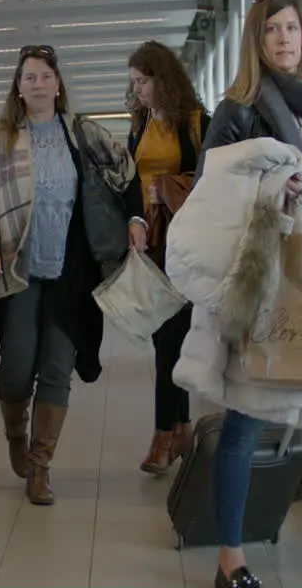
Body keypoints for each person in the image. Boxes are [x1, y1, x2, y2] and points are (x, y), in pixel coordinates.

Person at [195, 0, 302, 588]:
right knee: (245, 420)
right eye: (272, 30)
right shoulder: (237, 110)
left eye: (291, 28)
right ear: (256, 42)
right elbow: (209, 191)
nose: (284, 39)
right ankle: (230, 560)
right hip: (269, 275)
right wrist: (270, 189)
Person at [0, 44, 144, 506]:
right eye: (29, 77)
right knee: (17, 370)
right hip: (20, 271)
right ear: (18, 88)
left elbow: (128, 172)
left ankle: (41, 468)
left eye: (45, 76)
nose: (38, 84)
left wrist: (136, 219)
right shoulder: (0, 138)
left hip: (72, 274)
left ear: (58, 85)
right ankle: (13, 431)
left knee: (57, 370)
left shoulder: (81, 134)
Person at [125, 40, 209, 475]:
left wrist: (166, 186)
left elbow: (211, 179)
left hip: (185, 243)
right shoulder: (138, 124)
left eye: (143, 81)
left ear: (163, 78)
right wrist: (136, 215)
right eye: (134, 83)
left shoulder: (195, 122)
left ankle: (163, 436)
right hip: (150, 243)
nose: (137, 90)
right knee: (165, 338)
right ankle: (183, 427)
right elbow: (126, 181)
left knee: (170, 338)